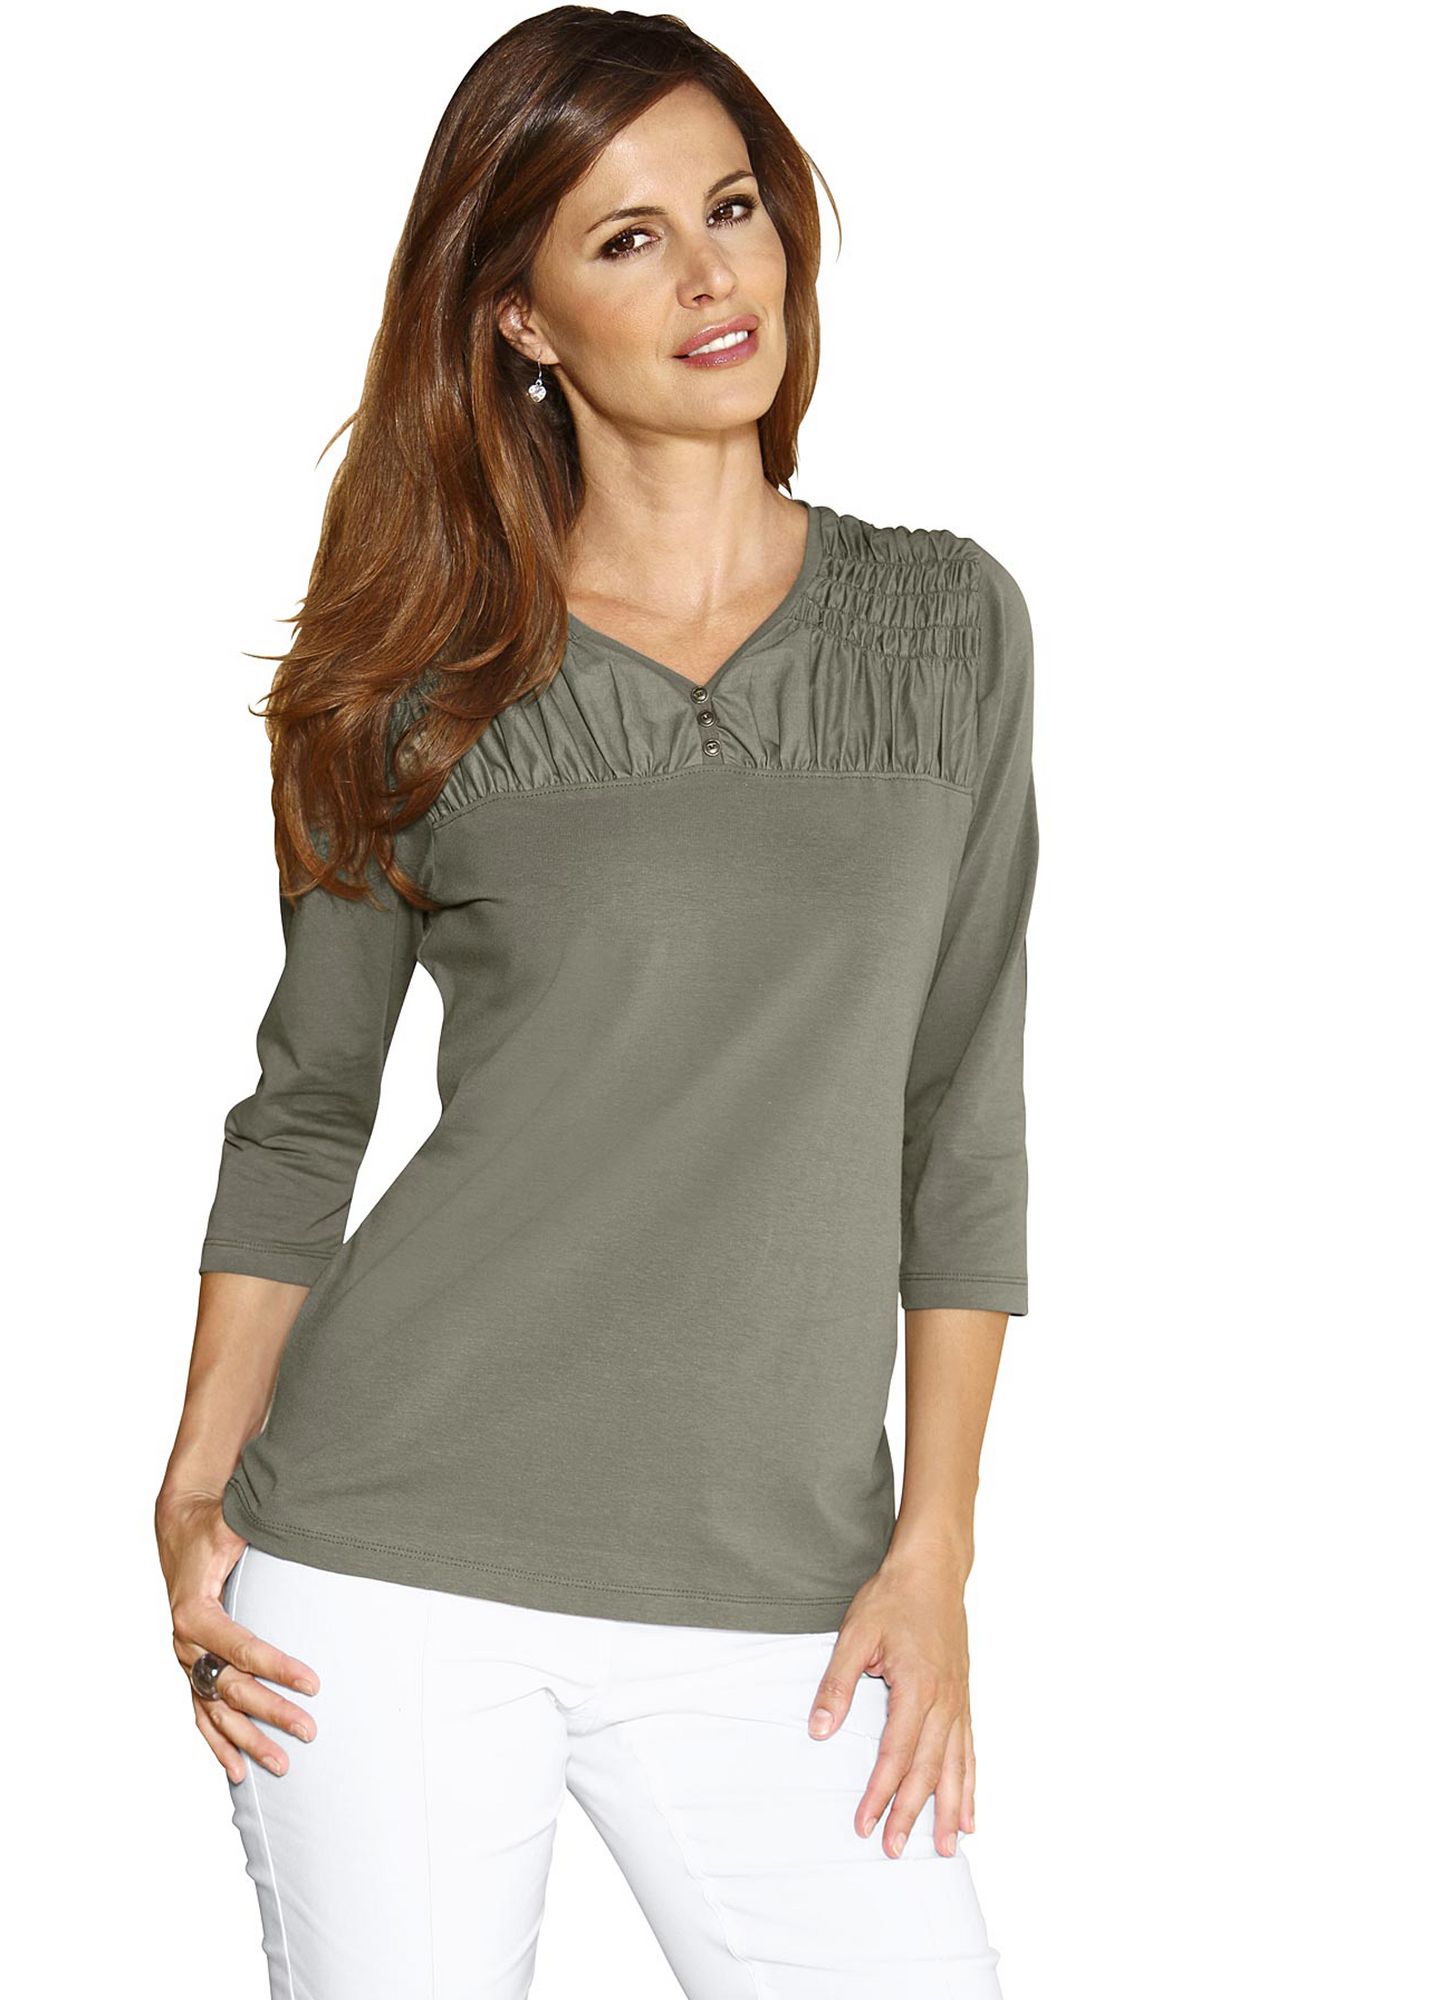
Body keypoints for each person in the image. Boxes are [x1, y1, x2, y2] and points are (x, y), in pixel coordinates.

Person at [154, 9, 1039, 1995]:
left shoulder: (946, 625)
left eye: (731, 209)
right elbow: (306, 1110)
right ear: (521, 318)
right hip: (384, 1565)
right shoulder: (408, 678)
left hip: (790, 1589)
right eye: (627, 238)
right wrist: (196, 1479)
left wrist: (937, 1551)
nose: (714, 276)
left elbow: (959, 1112)